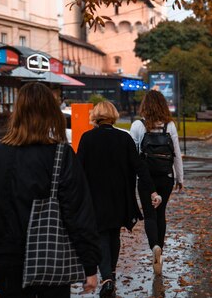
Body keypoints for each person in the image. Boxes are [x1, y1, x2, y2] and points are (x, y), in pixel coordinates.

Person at [0, 82, 100, 297]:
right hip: (51, 257)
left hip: (7, 260)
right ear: (51, 113)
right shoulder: (61, 155)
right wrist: (90, 265)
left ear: (17, 113)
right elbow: (78, 214)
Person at [76, 101, 162, 297]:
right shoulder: (124, 138)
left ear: (95, 116)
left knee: (100, 234)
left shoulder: (87, 138)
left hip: (95, 195)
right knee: (113, 234)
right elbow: (140, 167)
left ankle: (107, 278)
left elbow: (78, 170)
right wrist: (153, 192)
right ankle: (110, 275)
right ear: (113, 115)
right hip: (119, 195)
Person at [129, 90, 184, 276]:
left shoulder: (138, 125)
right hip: (165, 177)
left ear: (145, 105)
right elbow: (176, 153)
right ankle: (160, 249)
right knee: (161, 213)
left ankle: (154, 247)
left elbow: (132, 155)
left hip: (145, 178)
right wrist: (179, 178)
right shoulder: (170, 125)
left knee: (149, 214)